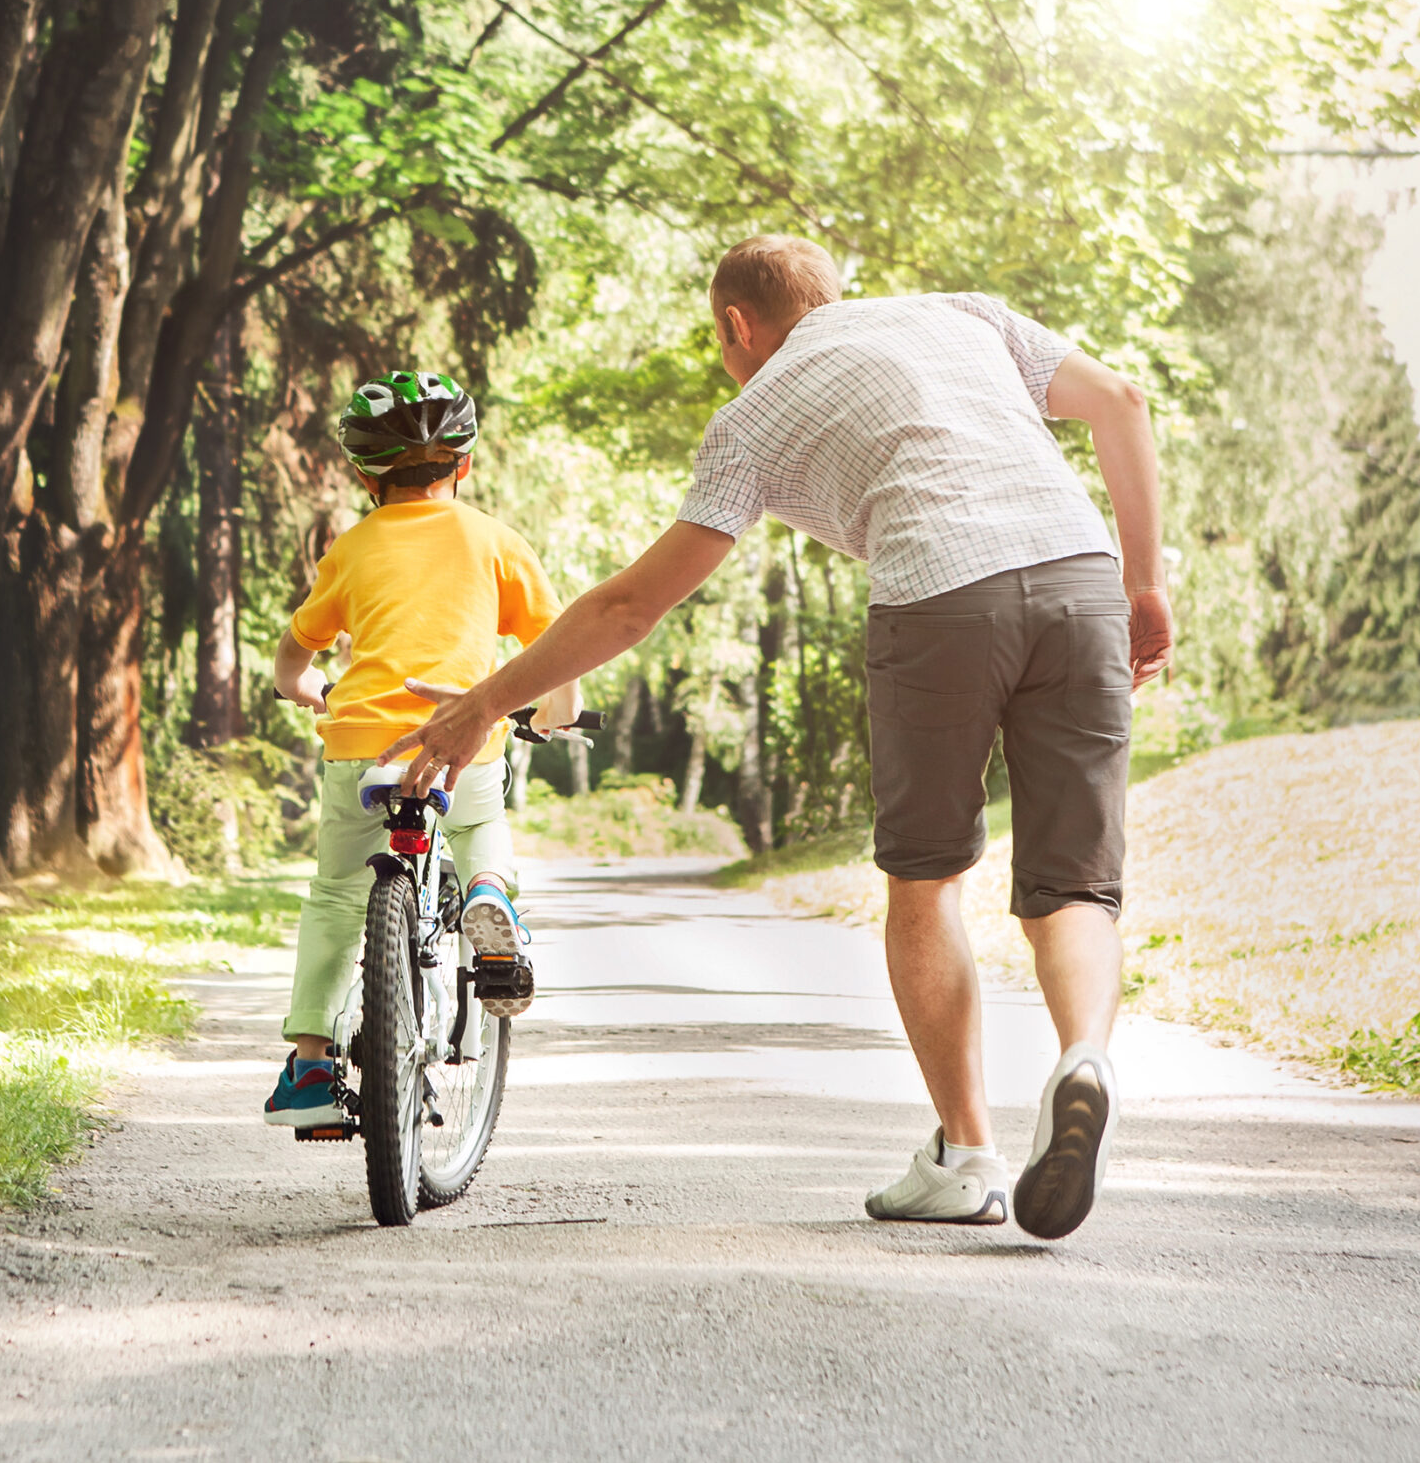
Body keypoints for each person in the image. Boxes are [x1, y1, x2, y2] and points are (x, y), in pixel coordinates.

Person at [381, 238, 1172, 1238]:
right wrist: (1145, 585)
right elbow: (1122, 403)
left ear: (734, 327)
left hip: (937, 594)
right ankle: (1082, 1056)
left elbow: (629, 607)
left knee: (924, 882)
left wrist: (485, 699)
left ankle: (966, 1154)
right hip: (1076, 574)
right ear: (830, 295)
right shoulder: (962, 311)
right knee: (1073, 885)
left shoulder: (751, 414)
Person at [261, 370, 580, 1129]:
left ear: (364, 473)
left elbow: (293, 652)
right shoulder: (495, 540)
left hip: (363, 751)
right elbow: (557, 649)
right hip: (461, 742)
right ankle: (489, 896)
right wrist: (554, 715)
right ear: (464, 463)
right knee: (476, 825)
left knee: (339, 893)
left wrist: (304, 688)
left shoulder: (351, 548)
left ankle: (310, 1067)